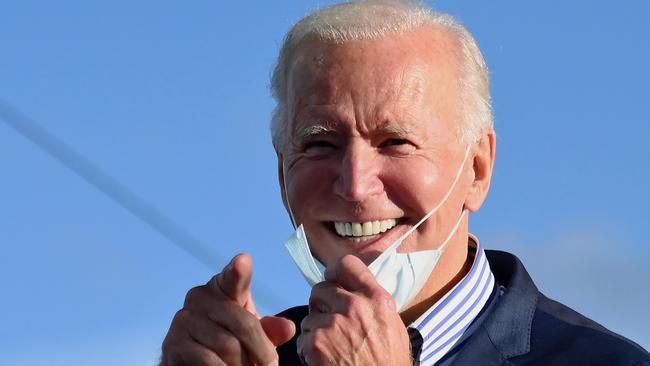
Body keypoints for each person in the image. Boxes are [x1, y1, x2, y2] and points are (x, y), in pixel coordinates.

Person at [160, 1, 650, 365]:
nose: (354, 186)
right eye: (320, 144)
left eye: (396, 142)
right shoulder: (263, 354)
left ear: (477, 171)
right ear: (280, 168)